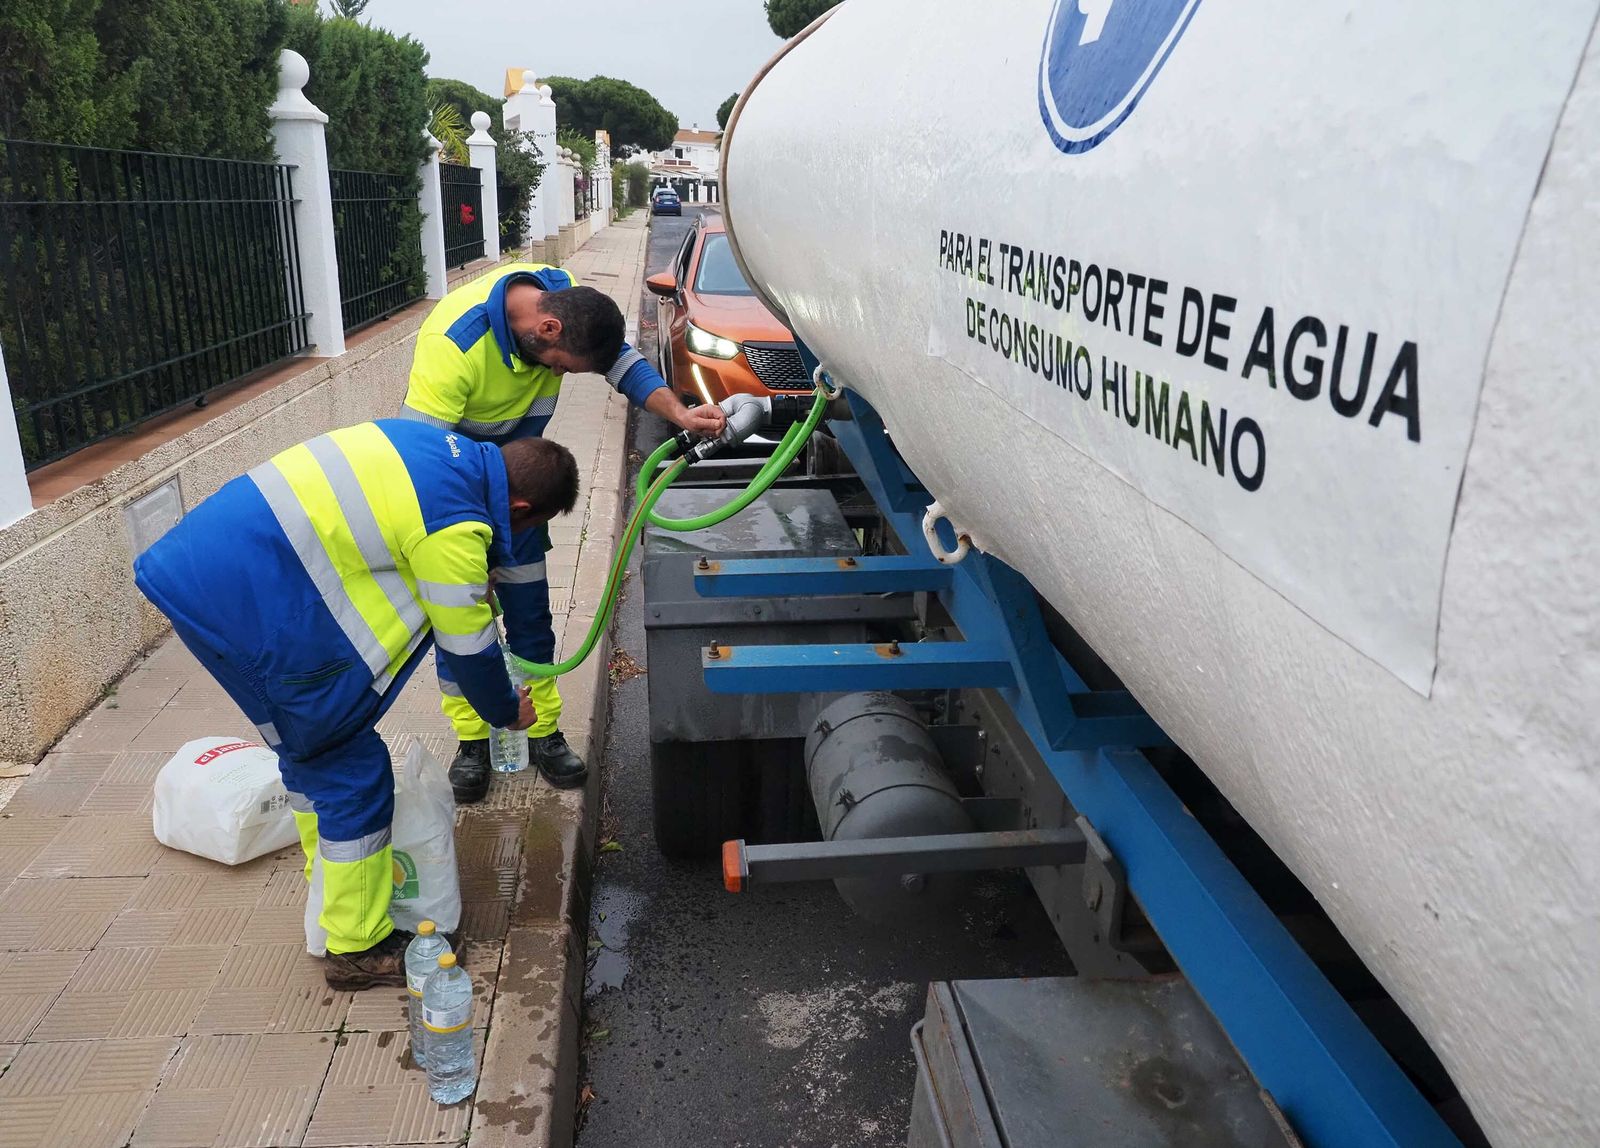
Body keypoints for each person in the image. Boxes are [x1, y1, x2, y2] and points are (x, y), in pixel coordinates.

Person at [134, 420, 580, 989]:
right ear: (519, 504)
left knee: (310, 755)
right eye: (526, 528)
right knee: (349, 769)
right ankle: (355, 945)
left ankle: (331, 889)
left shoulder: (436, 449)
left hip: (211, 572)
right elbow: (469, 648)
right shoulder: (456, 524)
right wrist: (504, 711)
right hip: (241, 597)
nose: (513, 542)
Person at [400, 262, 726, 804]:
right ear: (546, 331)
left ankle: (544, 732)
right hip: (458, 501)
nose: (557, 376)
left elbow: (624, 365)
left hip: (523, 495)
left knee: (531, 620)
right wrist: (456, 555)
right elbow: (416, 460)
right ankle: (472, 740)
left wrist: (681, 413)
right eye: (560, 366)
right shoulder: (452, 347)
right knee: (461, 627)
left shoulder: (563, 293)